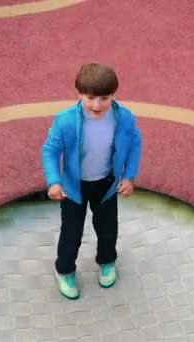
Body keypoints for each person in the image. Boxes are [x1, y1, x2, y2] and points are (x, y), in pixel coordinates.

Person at [41, 62, 142, 299]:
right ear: (79, 93)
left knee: (108, 230)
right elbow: (50, 149)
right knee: (71, 233)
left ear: (113, 95)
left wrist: (129, 176)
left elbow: (135, 144)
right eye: (90, 97)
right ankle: (64, 270)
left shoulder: (123, 117)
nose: (97, 105)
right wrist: (54, 181)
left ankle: (107, 261)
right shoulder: (65, 120)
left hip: (106, 184)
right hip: (74, 188)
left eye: (104, 98)